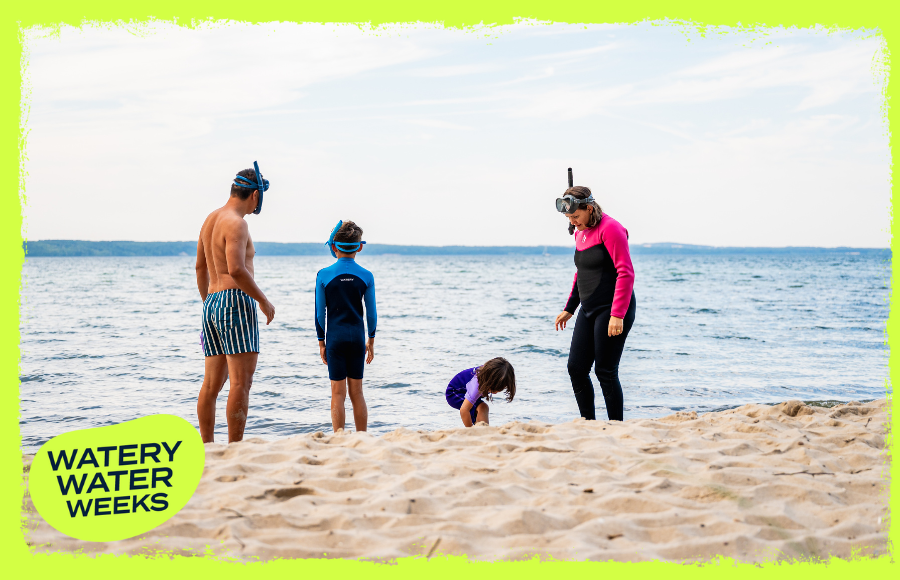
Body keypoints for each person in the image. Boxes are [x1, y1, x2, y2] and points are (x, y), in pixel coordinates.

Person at [195, 162, 275, 444]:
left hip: (212, 302)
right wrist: (263, 300)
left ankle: (207, 445)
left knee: (211, 384)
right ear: (255, 195)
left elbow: (200, 268)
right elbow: (237, 269)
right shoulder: (237, 223)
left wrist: (209, 303)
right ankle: (235, 447)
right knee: (241, 381)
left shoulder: (210, 219)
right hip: (235, 301)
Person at [553, 183, 636, 422]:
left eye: (575, 216)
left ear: (589, 208)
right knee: (576, 368)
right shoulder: (579, 232)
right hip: (589, 309)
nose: (572, 222)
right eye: (568, 218)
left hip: (612, 309)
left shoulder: (611, 228)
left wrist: (617, 314)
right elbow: (582, 273)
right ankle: (587, 424)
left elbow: (625, 272)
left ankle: (616, 426)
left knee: (605, 371)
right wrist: (570, 308)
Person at [315, 220, 377, 432]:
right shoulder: (367, 276)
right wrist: (371, 340)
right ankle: (362, 436)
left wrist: (321, 343)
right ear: (359, 247)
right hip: (357, 339)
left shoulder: (323, 275)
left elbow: (319, 314)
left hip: (335, 339)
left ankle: (338, 437)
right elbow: (372, 314)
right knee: (357, 392)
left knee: (337, 393)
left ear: (334, 246)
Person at [445, 358, 516, 427]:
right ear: (488, 381)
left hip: (466, 390)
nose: (495, 392)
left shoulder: (490, 371)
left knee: (482, 408)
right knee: (482, 407)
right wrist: (470, 430)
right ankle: (478, 431)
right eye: (493, 389)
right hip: (454, 393)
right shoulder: (476, 386)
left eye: (499, 389)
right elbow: (464, 410)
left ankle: (481, 429)